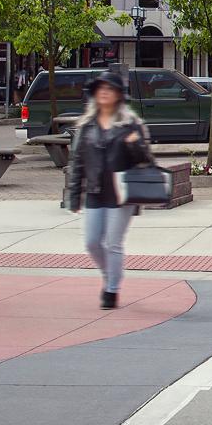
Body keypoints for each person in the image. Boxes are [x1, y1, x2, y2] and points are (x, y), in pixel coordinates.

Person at [61, 72, 154, 309]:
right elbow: (77, 163)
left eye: (109, 88)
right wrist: (74, 196)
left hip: (121, 194)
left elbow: (145, 160)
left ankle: (112, 289)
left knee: (113, 243)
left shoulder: (130, 124)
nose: (104, 92)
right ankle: (109, 273)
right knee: (92, 243)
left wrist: (134, 144)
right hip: (95, 191)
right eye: (100, 88)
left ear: (119, 95)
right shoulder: (86, 126)